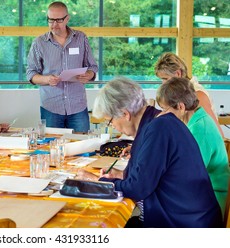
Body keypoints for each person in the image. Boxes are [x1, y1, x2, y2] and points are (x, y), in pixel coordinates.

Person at [76, 77, 223, 228]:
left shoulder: (158, 129)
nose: (113, 126)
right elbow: (148, 175)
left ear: (125, 114)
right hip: (181, 216)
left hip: (186, 226)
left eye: (110, 121)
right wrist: (122, 175)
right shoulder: (155, 122)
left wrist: (95, 182)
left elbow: (138, 189)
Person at [156, 77, 229, 216]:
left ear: (181, 107)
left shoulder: (200, 129)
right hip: (203, 193)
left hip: (213, 200)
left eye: (165, 109)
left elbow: (187, 175)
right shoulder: (196, 120)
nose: (163, 114)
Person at [26, 1, 98, 133]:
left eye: (58, 20)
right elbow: (31, 73)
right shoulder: (39, 43)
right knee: (51, 146)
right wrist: (46, 79)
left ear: (67, 18)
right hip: (51, 106)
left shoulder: (81, 38)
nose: (54, 25)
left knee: (82, 146)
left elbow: (92, 66)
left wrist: (89, 74)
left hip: (77, 106)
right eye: (50, 20)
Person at [154, 52, 224, 138]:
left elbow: (217, 133)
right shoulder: (181, 93)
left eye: (165, 79)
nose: (163, 83)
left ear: (178, 74)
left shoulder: (197, 95)